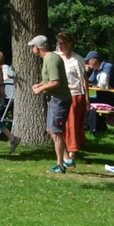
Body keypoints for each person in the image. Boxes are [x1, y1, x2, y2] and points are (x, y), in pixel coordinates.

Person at [30, 35, 72, 171]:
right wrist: (40, 84)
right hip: (54, 100)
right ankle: (68, 159)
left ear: (37, 47)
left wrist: (41, 89)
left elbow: (56, 82)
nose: (32, 50)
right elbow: (50, 79)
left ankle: (60, 165)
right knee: (51, 130)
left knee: (56, 133)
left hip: (60, 101)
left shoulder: (51, 59)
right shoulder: (48, 58)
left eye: (32, 47)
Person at [58, 31, 89, 159]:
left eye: (63, 43)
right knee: (60, 124)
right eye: (58, 43)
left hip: (75, 95)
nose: (60, 46)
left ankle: (72, 152)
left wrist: (87, 98)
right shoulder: (56, 57)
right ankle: (64, 149)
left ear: (70, 44)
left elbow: (84, 79)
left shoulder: (77, 60)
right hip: (60, 95)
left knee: (72, 125)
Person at [86, 50, 114, 134]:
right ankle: (89, 125)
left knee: (86, 101)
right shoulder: (96, 70)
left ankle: (94, 127)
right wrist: (85, 72)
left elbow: (103, 80)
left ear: (94, 60)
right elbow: (89, 81)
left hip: (109, 98)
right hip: (100, 97)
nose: (88, 64)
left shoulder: (107, 66)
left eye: (88, 61)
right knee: (83, 100)